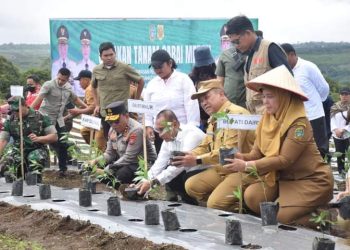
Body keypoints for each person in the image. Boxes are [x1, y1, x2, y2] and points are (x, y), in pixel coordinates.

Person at [224, 65, 333, 225]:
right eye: (263, 96)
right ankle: (295, 207)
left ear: (284, 97)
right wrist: (239, 157)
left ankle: (327, 217)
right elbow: (256, 154)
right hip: (284, 179)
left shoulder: (299, 124)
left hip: (311, 180)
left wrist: (246, 165)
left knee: (282, 219)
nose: (265, 102)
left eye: (270, 96)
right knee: (252, 197)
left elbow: (284, 160)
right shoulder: (267, 119)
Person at [175, 79, 255, 212]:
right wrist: (191, 155)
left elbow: (229, 152)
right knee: (191, 186)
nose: (204, 103)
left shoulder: (235, 114)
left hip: (242, 170)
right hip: (223, 169)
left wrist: (197, 160)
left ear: (221, 94)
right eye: (201, 101)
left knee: (213, 204)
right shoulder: (214, 118)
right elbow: (206, 144)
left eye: (206, 97)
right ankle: (228, 205)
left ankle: (244, 208)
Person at [136, 109, 206, 204]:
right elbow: (159, 164)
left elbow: (179, 166)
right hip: (188, 170)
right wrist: (142, 182)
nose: (160, 135)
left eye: (162, 129)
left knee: (175, 175)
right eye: (157, 130)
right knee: (169, 174)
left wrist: (152, 183)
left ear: (175, 124)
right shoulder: (168, 139)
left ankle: (194, 202)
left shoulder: (191, 135)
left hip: (205, 170)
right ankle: (186, 200)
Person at [225, 15, 292, 114]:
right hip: (257, 117)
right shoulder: (249, 56)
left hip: (274, 116)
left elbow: (288, 81)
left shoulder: (269, 48)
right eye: (232, 43)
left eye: (236, 41)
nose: (235, 46)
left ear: (247, 33)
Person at [30, 68, 88, 177]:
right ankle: (35, 169)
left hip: (59, 119)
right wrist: (29, 112)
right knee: (39, 142)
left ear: (67, 79)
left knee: (63, 143)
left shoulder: (68, 87)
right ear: (57, 75)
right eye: (59, 79)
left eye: (64, 80)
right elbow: (39, 99)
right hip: (45, 118)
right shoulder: (49, 85)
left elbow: (75, 100)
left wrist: (87, 108)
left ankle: (63, 169)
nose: (61, 81)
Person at [144, 49, 200, 153]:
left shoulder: (183, 79)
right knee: (163, 162)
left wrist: (192, 129)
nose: (157, 70)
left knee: (181, 163)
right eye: (155, 68)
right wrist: (148, 126)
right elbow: (147, 108)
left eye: (160, 67)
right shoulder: (152, 84)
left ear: (170, 63)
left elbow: (191, 105)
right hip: (160, 133)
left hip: (181, 132)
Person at [89, 101, 157, 185]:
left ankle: (133, 192)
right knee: (96, 170)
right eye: (110, 122)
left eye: (116, 121)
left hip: (142, 164)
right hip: (125, 162)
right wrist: (95, 161)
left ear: (126, 116)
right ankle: (121, 190)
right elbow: (110, 154)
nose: (113, 125)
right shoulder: (112, 129)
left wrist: (108, 169)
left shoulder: (136, 130)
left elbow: (129, 157)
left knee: (120, 174)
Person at [281, 43, 330, 159]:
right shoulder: (283, 71)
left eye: (284, 57)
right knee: (298, 149)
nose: (281, 61)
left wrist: (315, 104)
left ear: (292, 55)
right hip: (294, 117)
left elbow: (324, 88)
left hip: (314, 116)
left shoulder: (308, 67)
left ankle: (322, 174)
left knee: (319, 149)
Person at [91, 42, 144, 140]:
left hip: (123, 113)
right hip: (106, 113)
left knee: (127, 141)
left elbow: (140, 81)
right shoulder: (96, 70)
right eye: (106, 55)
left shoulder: (124, 67)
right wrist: (97, 104)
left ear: (115, 54)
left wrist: (135, 101)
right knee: (109, 141)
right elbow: (93, 87)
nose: (109, 57)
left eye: (111, 54)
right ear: (100, 56)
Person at [0, 97, 58, 177]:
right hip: (18, 151)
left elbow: (54, 136)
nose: (15, 113)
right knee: (7, 163)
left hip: (37, 149)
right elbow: (3, 140)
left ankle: (35, 181)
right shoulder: (10, 120)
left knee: (34, 158)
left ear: (25, 105)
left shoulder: (41, 117)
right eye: (12, 111)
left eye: (17, 110)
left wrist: (39, 138)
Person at [68, 70, 106, 151]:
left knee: (99, 145)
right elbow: (85, 106)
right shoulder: (89, 89)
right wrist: (69, 116)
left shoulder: (90, 89)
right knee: (84, 131)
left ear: (86, 80)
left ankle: (102, 154)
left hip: (101, 119)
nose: (79, 83)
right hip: (96, 120)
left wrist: (78, 111)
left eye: (80, 80)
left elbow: (92, 108)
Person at [189, 46, 216, 131]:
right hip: (200, 118)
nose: (204, 68)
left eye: (206, 65)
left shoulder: (217, 75)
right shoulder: (191, 78)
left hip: (216, 114)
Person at [216, 37, 246, 108]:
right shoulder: (225, 55)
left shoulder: (253, 53)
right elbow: (219, 81)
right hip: (228, 102)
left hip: (247, 103)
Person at [331, 87, 350, 177]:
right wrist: (335, 129)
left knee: (348, 153)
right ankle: (340, 172)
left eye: (346, 94)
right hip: (337, 134)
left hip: (348, 134)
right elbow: (332, 119)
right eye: (342, 94)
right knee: (339, 153)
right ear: (339, 96)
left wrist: (344, 129)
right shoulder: (335, 107)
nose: (344, 96)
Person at [74, 29, 97, 97]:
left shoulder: (95, 66)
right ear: (81, 48)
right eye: (83, 46)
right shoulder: (76, 67)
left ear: (90, 48)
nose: (85, 49)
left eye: (87, 45)